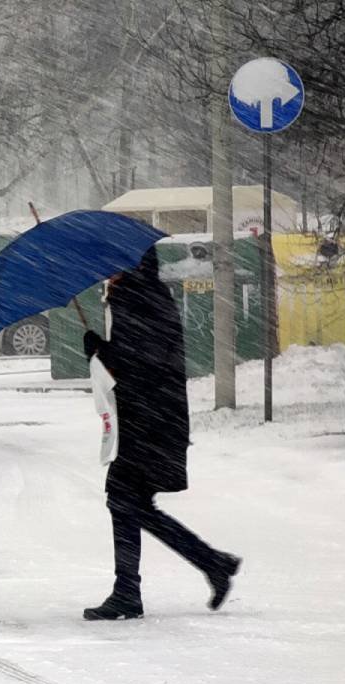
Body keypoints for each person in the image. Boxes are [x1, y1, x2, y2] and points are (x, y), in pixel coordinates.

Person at [81, 247, 241, 620]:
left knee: (124, 502)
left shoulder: (136, 298)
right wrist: (104, 349)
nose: (105, 273)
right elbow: (143, 358)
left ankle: (139, 589)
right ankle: (207, 564)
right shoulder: (145, 294)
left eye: (110, 266)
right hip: (153, 420)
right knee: (128, 503)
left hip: (149, 423)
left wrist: (100, 352)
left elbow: (141, 362)